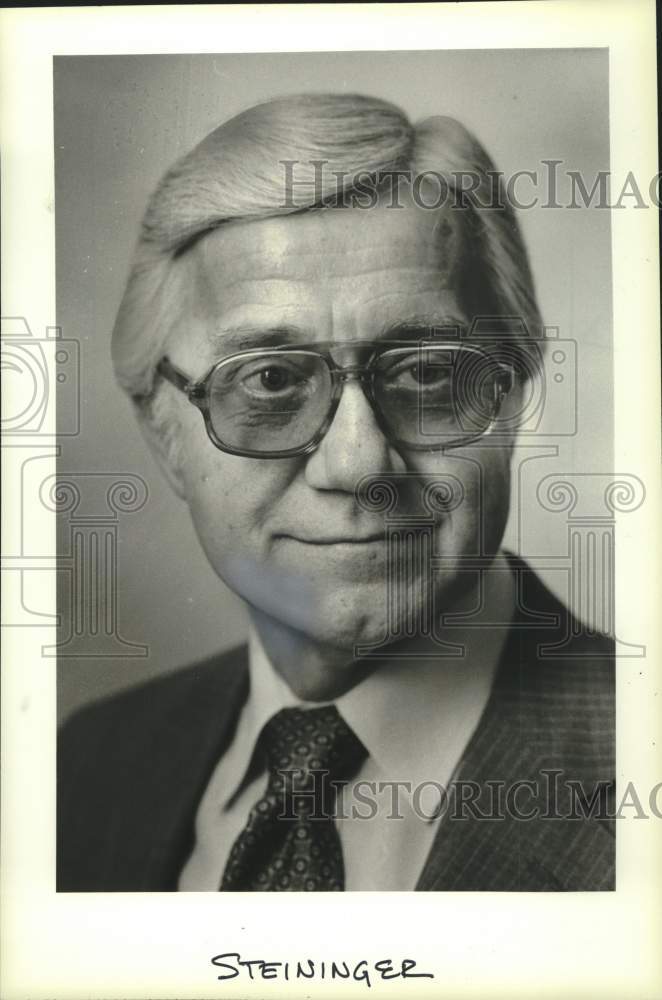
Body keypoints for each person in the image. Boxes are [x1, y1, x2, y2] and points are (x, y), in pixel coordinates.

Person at [57, 93, 614, 892]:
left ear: (513, 395)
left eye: (426, 372)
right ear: (164, 434)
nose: (357, 465)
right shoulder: (87, 766)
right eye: (272, 380)